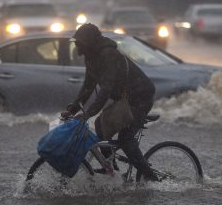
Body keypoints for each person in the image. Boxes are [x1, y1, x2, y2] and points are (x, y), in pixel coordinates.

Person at [61, 23, 159, 181]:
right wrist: (72, 110)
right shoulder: (91, 56)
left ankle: (151, 178)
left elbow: (106, 89)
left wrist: (87, 114)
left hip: (141, 96)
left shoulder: (108, 55)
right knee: (101, 126)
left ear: (90, 42)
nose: (77, 46)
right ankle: (111, 170)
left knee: (126, 140)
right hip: (126, 98)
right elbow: (88, 87)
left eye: (80, 43)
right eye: (76, 43)